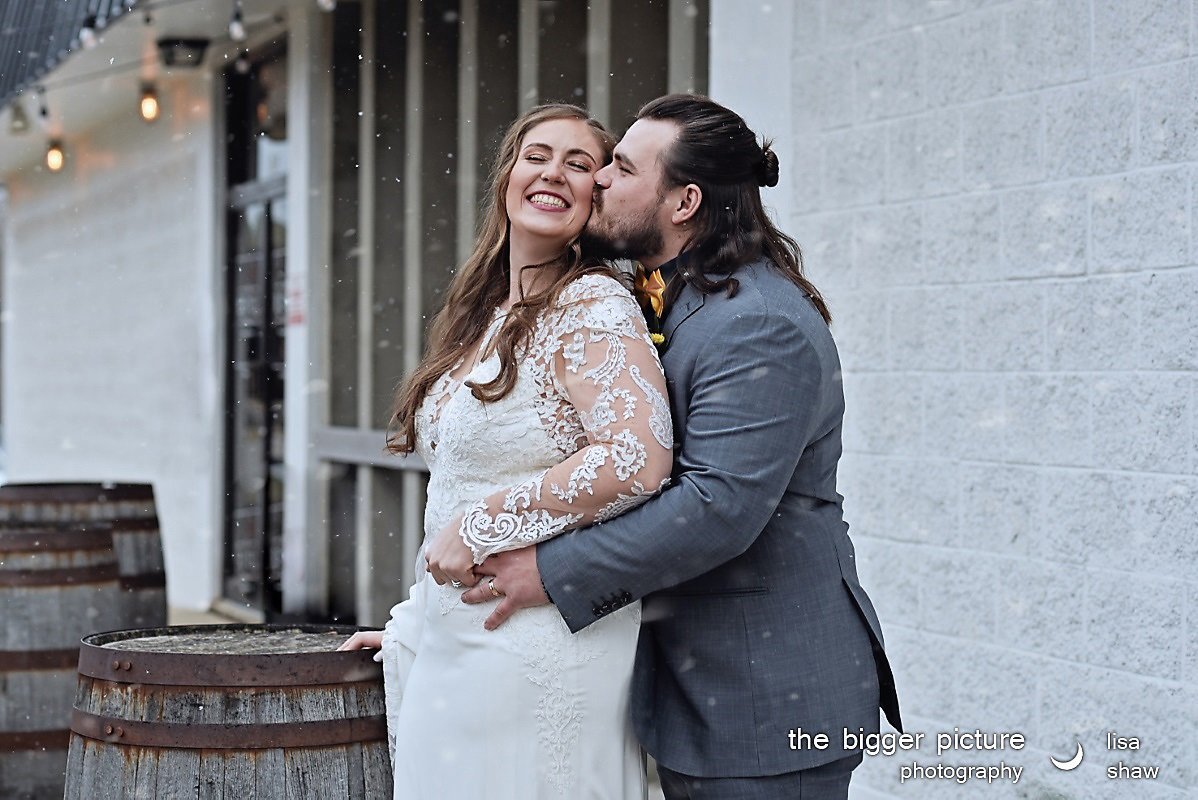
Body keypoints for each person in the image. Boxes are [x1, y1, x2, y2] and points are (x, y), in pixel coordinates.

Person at [458, 94, 903, 799]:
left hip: (762, 695)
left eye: (622, 168)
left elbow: (717, 507)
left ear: (684, 201)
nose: (599, 177)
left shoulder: (758, 323)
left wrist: (548, 569)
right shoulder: (662, 297)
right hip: (689, 685)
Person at [338, 103, 671, 799]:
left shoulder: (593, 307)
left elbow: (639, 458)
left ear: (596, 196)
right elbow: (451, 486)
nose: (554, 172)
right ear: (506, 178)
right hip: (462, 635)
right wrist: (414, 617)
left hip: (538, 640)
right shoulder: (486, 313)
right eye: (537, 155)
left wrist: (485, 524)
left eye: (580, 164)